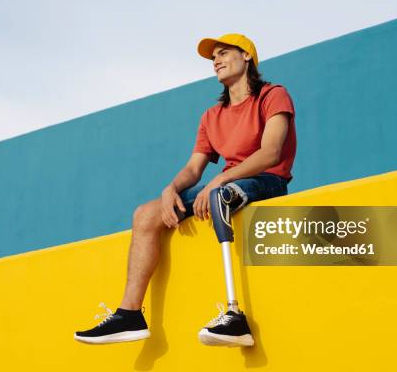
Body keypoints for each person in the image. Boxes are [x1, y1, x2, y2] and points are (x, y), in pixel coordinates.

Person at [75, 33, 297, 346]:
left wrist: (221, 180)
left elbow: (271, 152)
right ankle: (129, 314)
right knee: (146, 214)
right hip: (230, 182)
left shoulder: (273, 95)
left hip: (267, 180)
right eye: (213, 58)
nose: (216, 61)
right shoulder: (212, 116)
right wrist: (171, 189)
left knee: (220, 195)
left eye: (223, 53)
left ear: (246, 56)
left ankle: (235, 316)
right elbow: (194, 169)